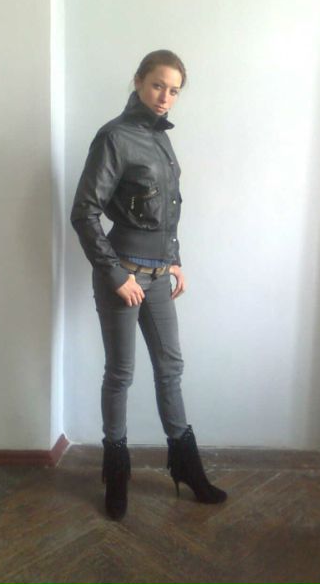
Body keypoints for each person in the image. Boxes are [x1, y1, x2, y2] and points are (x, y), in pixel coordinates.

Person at [71, 50, 227, 520]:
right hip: (123, 274)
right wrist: (115, 275)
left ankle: (186, 467)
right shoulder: (114, 137)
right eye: (158, 85)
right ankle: (116, 475)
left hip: (159, 276)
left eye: (174, 90)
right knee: (121, 373)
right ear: (138, 80)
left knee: (170, 368)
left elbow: (166, 211)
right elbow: (84, 213)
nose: (165, 97)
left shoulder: (161, 139)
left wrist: (174, 260)